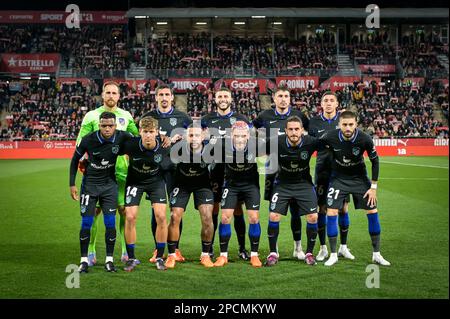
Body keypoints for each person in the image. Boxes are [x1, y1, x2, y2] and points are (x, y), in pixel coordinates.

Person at [76, 81, 139, 266]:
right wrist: (83, 160)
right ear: (102, 95)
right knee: (94, 212)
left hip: (121, 172)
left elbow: (136, 138)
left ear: (119, 96)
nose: (111, 95)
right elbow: (81, 142)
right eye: (108, 92)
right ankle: (91, 250)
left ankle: (125, 251)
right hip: (97, 174)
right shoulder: (91, 116)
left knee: (123, 211)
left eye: (114, 93)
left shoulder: (126, 116)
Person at [320, 111, 390, 266]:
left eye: (351, 124)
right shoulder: (329, 136)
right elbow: (314, 146)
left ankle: (376, 254)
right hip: (338, 179)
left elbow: (375, 161)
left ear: (356, 124)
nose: (347, 128)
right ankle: (333, 254)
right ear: (339, 125)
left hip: (359, 179)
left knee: (372, 211)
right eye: (344, 124)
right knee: (331, 211)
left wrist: (373, 187)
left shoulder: (365, 138)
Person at [69, 112, 132, 273]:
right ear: (99, 125)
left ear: (115, 126)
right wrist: (72, 184)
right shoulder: (88, 139)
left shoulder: (122, 137)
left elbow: (140, 143)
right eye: (104, 125)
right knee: (86, 223)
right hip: (89, 186)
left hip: (109, 187)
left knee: (110, 223)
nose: (107, 129)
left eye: (110, 125)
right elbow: (75, 160)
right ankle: (84, 260)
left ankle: (109, 260)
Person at [253, 85, 310, 260]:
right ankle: (274, 248)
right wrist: (263, 144)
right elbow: (252, 129)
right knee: (273, 210)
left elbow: (308, 132)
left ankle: (298, 247)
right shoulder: (265, 116)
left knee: (295, 210)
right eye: (280, 96)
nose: (283, 99)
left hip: (296, 169)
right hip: (273, 170)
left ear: (289, 98)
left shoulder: (299, 116)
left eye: (286, 96)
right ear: (274, 99)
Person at [141, 84, 192, 263]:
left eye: (167, 94)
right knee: (157, 211)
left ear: (172, 98)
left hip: (176, 171)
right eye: (160, 94)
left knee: (176, 211)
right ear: (156, 98)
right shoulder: (147, 118)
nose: (163, 97)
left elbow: (195, 134)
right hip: (154, 172)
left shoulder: (182, 117)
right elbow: (140, 140)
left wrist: (183, 136)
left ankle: (175, 248)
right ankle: (158, 249)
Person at [201, 87, 251, 260]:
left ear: (231, 99)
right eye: (220, 96)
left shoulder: (241, 119)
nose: (223, 99)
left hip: (235, 172)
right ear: (215, 99)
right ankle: (211, 248)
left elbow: (250, 140)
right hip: (214, 170)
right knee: (213, 209)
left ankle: (242, 248)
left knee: (237, 210)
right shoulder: (206, 120)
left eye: (226, 96)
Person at [264, 116, 319, 267]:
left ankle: (309, 253)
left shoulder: (311, 141)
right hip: (283, 184)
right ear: (285, 131)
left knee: (313, 217)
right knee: (274, 215)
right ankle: (273, 253)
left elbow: (330, 145)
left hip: (304, 184)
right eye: (291, 129)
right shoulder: (277, 142)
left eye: (297, 129)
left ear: (302, 130)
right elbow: (256, 149)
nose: (294, 132)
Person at [308, 91, 353, 262]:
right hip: (322, 171)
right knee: (322, 209)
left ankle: (343, 247)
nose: (328, 103)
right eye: (325, 100)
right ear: (321, 103)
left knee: (343, 208)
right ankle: (323, 248)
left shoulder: (342, 122)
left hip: (342, 171)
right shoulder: (313, 122)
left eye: (331, 100)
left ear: (336, 104)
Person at [121, 116, 170, 271]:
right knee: (130, 216)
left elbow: (172, 166)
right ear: (140, 132)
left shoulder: (164, 146)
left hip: (156, 183)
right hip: (135, 182)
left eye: (151, 131)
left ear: (156, 132)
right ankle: (131, 258)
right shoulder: (130, 145)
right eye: (145, 131)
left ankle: (160, 257)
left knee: (161, 216)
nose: (148, 135)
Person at [213, 121, 263, 268]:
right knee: (225, 217)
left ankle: (254, 255)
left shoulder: (257, 145)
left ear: (248, 135)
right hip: (231, 185)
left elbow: (276, 148)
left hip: (251, 186)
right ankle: (223, 256)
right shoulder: (222, 145)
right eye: (236, 136)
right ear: (231, 136)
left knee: (254, 218)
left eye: (242, 136)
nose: (240, 139)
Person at [166, 124, 215, 268]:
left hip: (203, 186)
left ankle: (205, 255)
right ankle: (171, 255)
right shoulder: (177, 149)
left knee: (207, 217)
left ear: (203, 137)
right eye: (191, 135)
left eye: (197, 135)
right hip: (181, 185)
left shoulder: (211, 151)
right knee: (175, 216)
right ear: (186, 136)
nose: (194, 139)